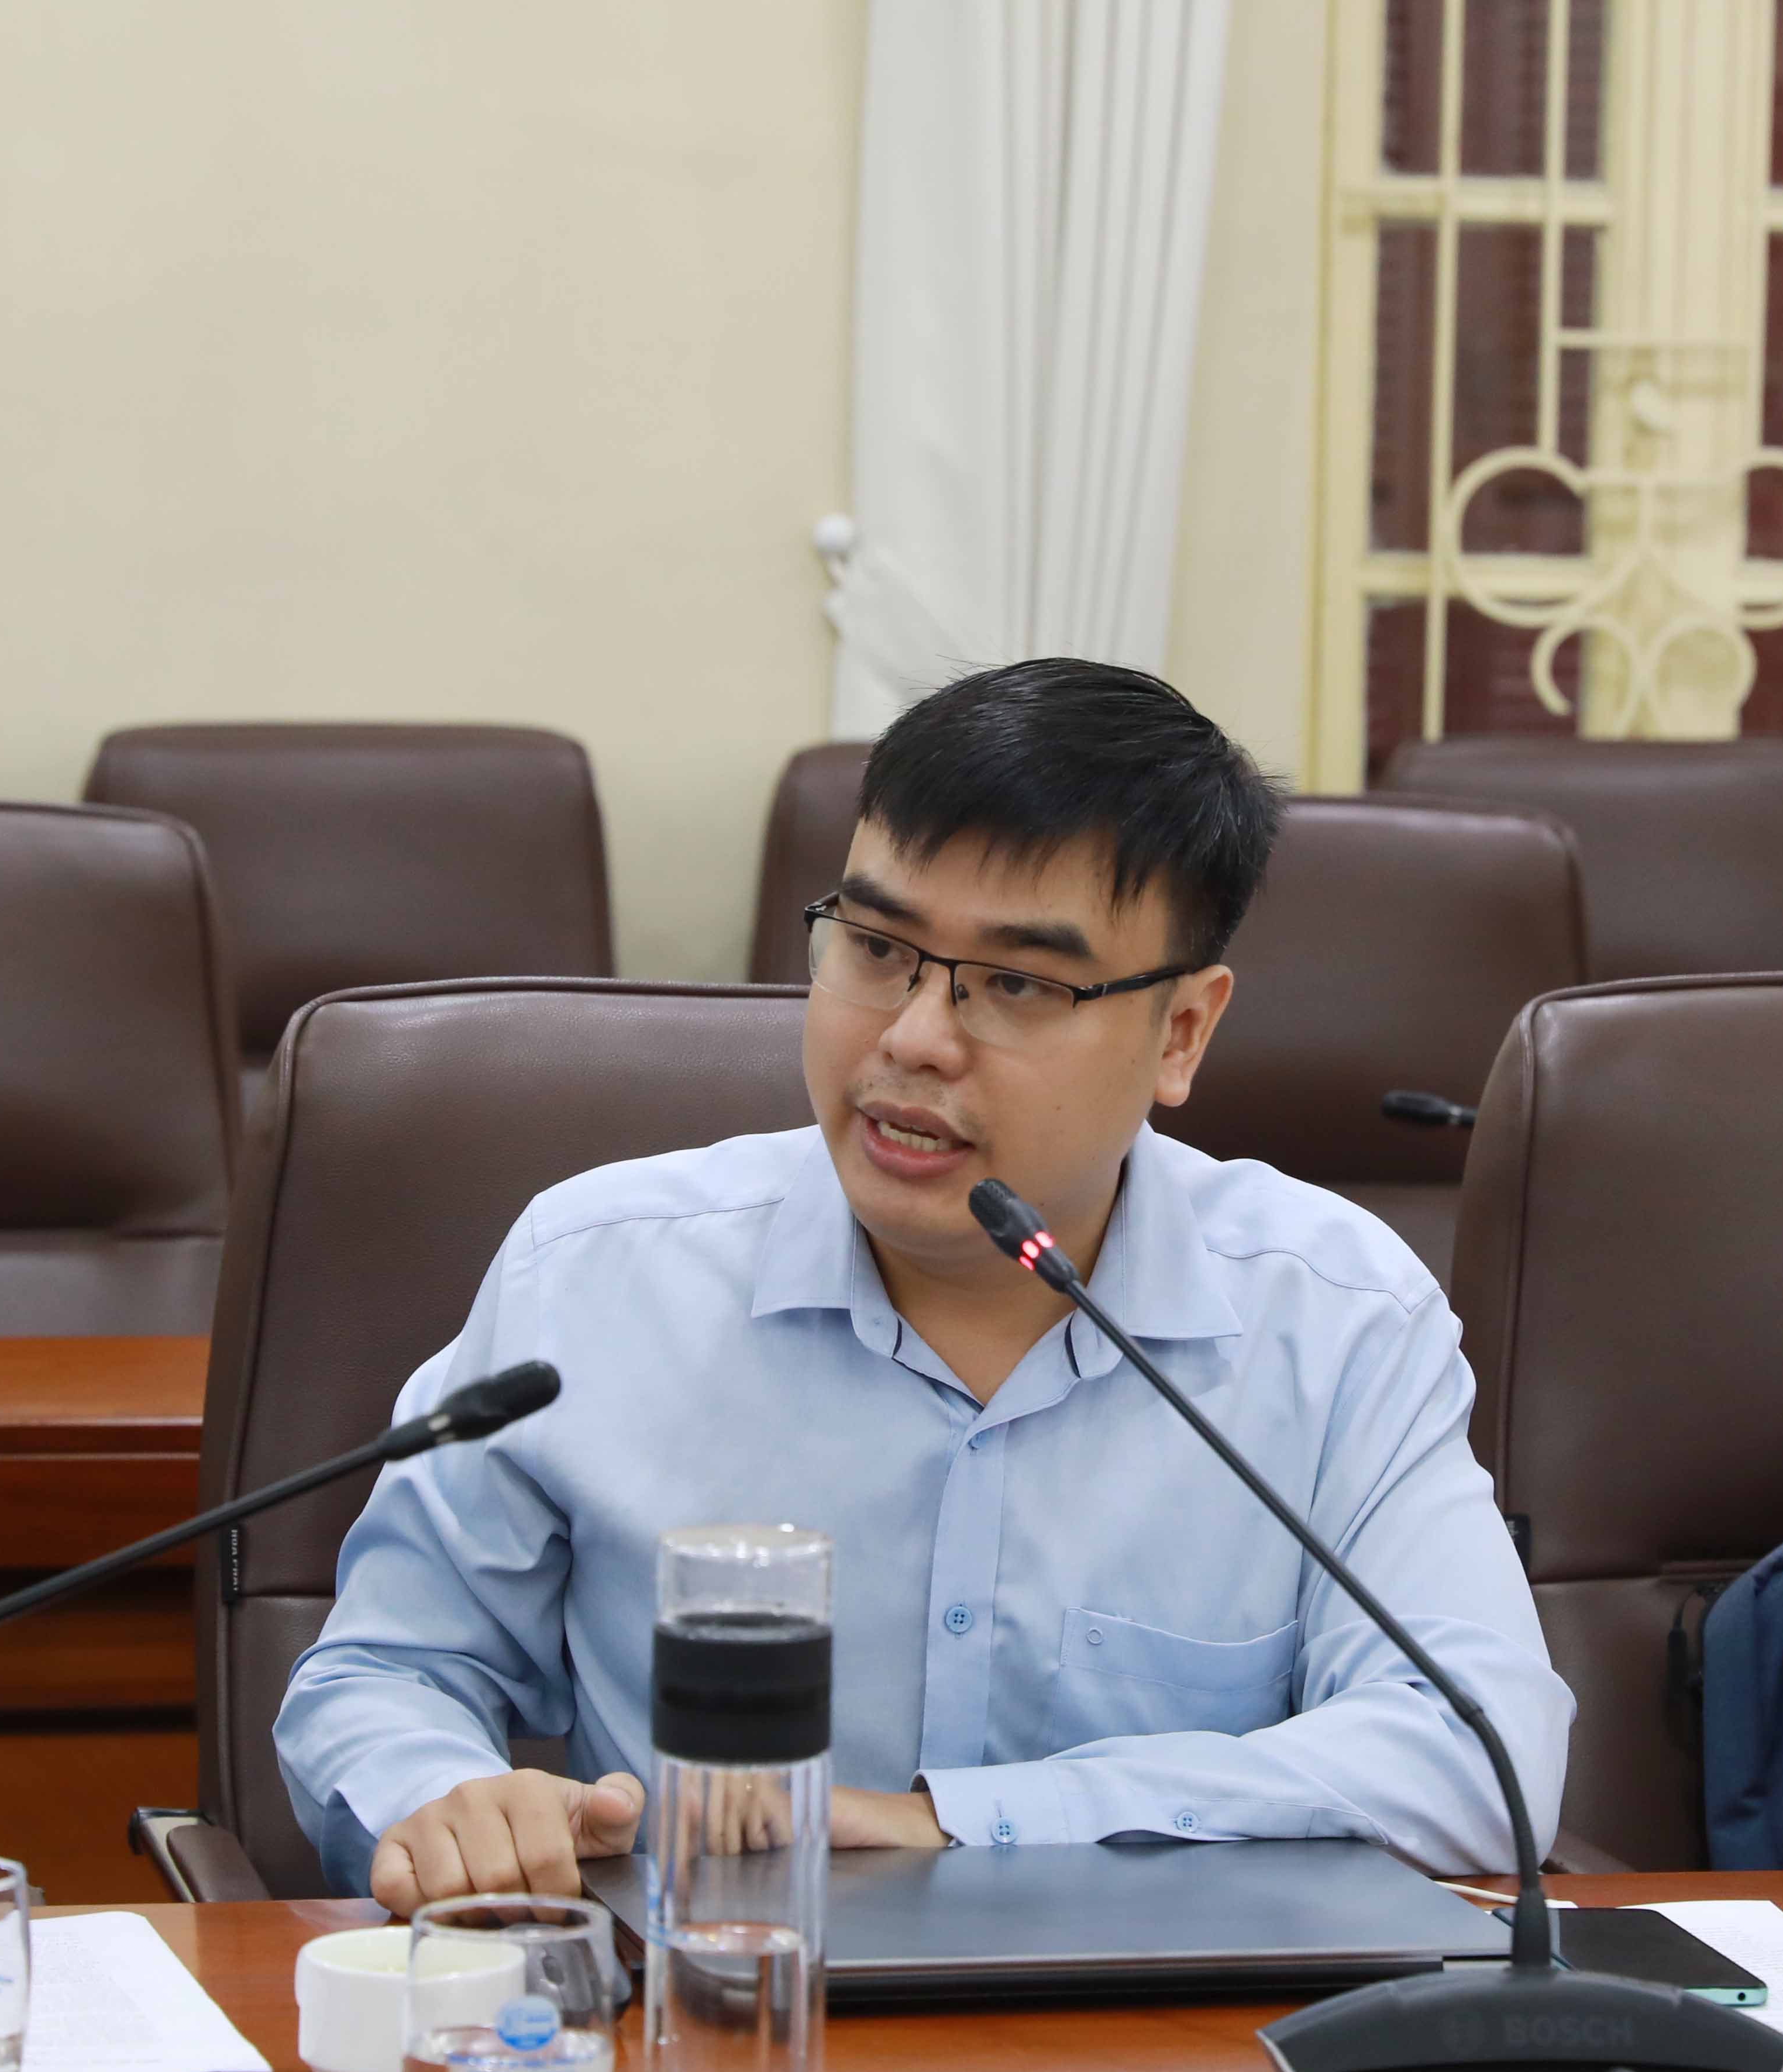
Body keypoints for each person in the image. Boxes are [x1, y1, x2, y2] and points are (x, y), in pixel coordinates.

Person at [277, 659, 1567, 1911]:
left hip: (1160, 2036)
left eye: (1017, 982)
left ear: (1180, 1031)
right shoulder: (594, 1277)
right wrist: (446, 1800)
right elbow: (382, 1675)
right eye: (876, 946)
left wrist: (960, 1823)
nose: (912, 1037)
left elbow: (1478, 1751)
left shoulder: (1335, 1320)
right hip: (707, 2015)